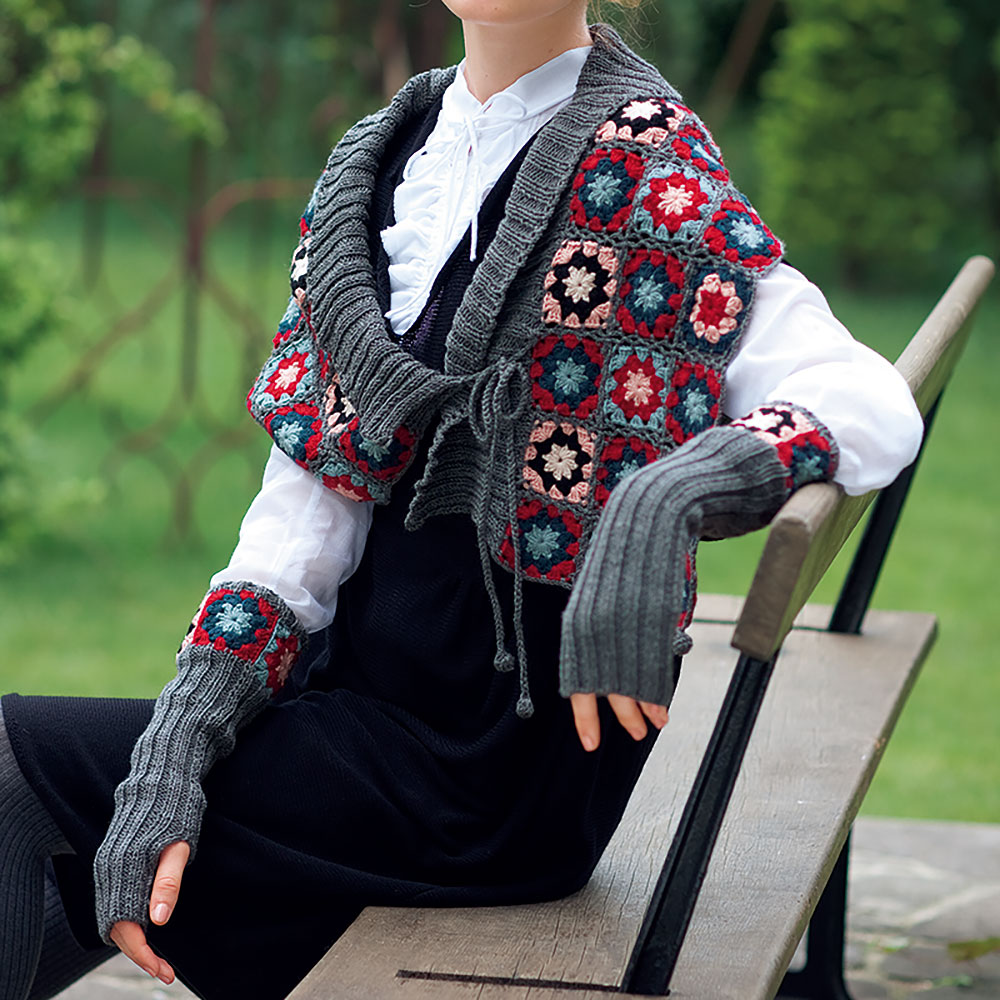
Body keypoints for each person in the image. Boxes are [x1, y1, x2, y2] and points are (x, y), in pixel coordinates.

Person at [0, 2, 923, 998]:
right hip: (359, 709)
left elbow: (866, 401)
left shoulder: (648, 166)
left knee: (14, 771)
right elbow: (305, 513)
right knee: (102, 835)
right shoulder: (385, 156)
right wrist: (181, 736)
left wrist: (668, 494)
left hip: (492, 770)